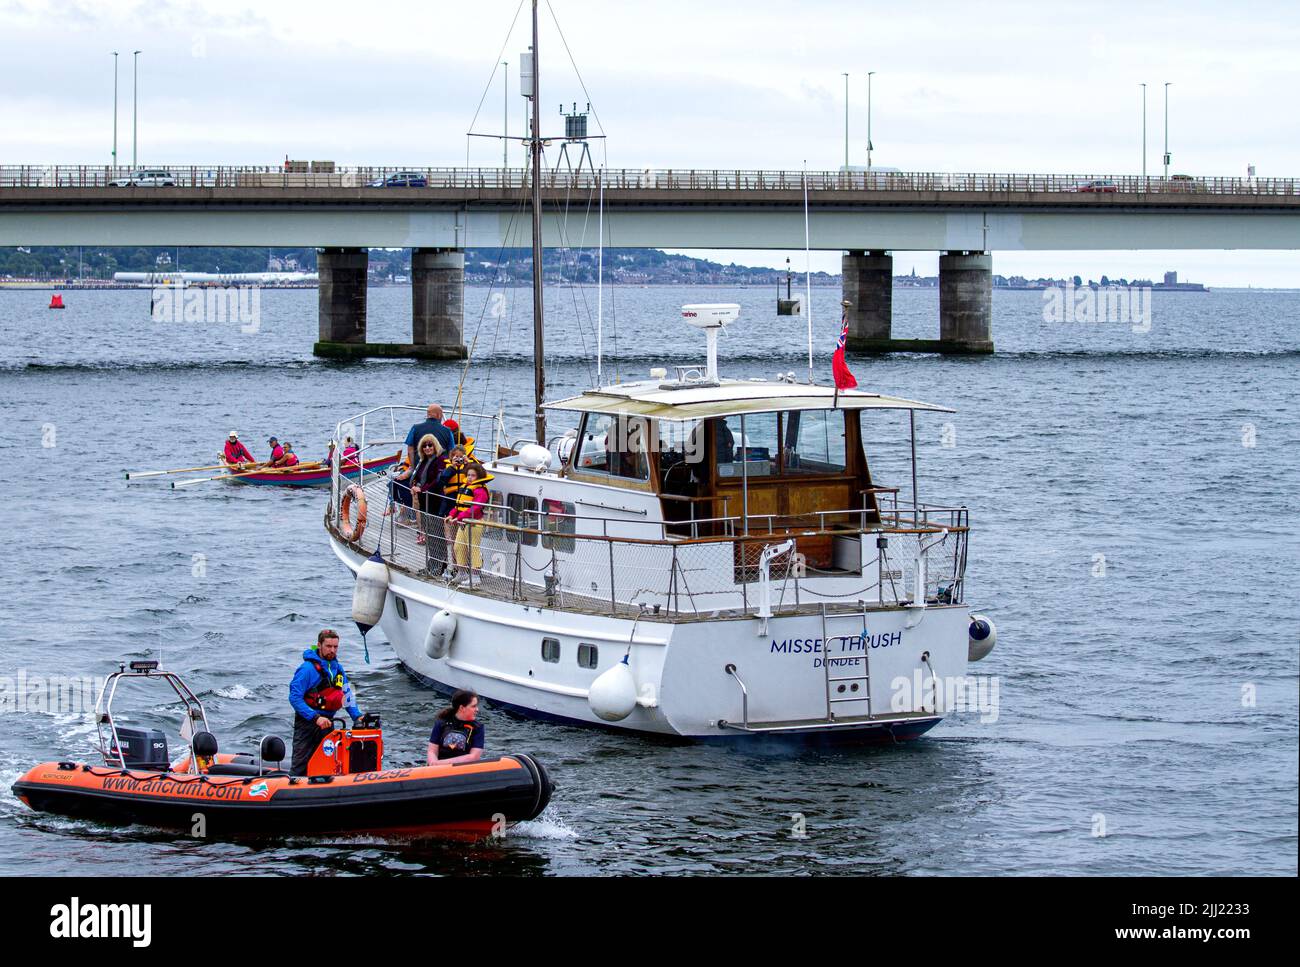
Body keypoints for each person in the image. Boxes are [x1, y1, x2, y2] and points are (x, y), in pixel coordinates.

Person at [288, 629, 362, 776]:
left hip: (328, 723)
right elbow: (294, 698)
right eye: (328, 646)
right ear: (319, 645)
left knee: (328, 764)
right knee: (300, 765)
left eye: (335, 647)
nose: (332, 650)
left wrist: (357, 716)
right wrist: (315, 718)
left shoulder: (338, 669)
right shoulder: (307, 669)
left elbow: (347, 695)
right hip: (308, 723)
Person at [445, 463, 490, 585]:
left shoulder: (480, 491)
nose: (470, 477)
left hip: (474, 523)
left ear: (479, 476)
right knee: (458, 547)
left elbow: (475, 508)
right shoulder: (466, 487)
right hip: (463, 522)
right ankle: (462, 573)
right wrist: (452, 515)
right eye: (468, 475)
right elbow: (459, 505)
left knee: (473, 548)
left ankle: (475, 576)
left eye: (473, 475)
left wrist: (459, 517)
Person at [408, 433, 446, 554]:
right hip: (424, 501)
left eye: (430, 445)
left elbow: (438, 481)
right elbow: (418, 477)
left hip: (435, 501)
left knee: (437, 534)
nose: (427, 447)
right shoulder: (423, 461)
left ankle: (440, 564)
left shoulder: (440, 460)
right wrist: (414, 485)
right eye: (424, 445)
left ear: (435, 446)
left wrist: (423, 489)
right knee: (429, 534)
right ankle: (432, 562)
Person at [427, 689, 484, 764]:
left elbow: (474, 757)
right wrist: (433, 763)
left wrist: (440, 763)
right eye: (473, 706)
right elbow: (432, 751)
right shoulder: (441, 723)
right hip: (439, 768)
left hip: (462, 768)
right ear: (462, 708)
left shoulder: (478, 727)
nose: (477, 709)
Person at [404, 404, 453, 475]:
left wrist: (412, 467)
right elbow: (451, 450)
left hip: (419, 469)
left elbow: (410, 449)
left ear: (428, 415)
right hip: (439, 469)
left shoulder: (415, 428)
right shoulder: (448, 431)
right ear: (439, 415)